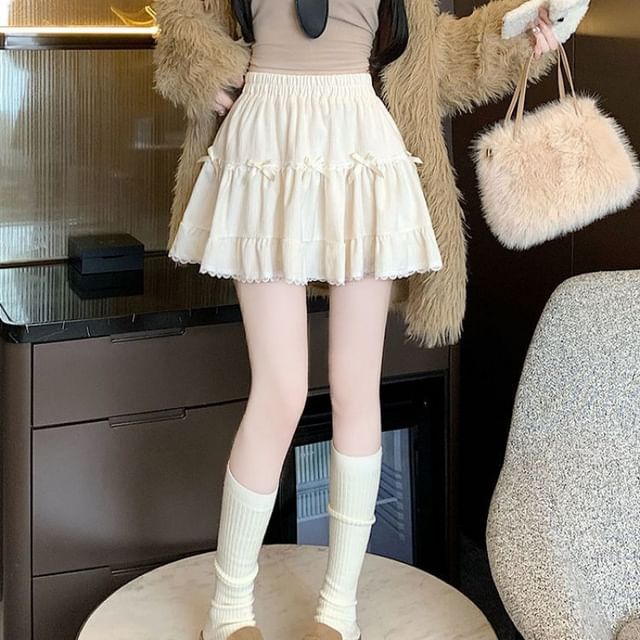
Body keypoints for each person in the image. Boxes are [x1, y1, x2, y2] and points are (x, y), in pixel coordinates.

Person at [153, 2, 561, 639]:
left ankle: (338, 612)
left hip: (360, 145)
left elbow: (443, 55)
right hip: (265, 141)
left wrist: (521, 33)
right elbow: (181, 17)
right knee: (280, 390)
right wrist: (198, 65)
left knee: (355, 388)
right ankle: (227, 611)